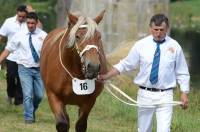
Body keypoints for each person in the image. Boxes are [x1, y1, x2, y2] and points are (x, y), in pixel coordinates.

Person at [98, 14, 190, 132]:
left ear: (167, 29)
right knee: (144, 129)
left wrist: (184, 93)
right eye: (155, 29)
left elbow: (182, 72)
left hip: (165, 96)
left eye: (161, 30)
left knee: (164, 130)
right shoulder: (141, 45)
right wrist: (106, 76)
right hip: (145, 94)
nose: (158, 33)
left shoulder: (175, 46)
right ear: (150, 28)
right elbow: (126, 64)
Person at [0, 12, 47, 124]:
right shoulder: (19, 35)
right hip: (24, 68)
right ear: (26, 22)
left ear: (37, 23)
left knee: (40, 95)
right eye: (28, 23)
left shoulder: (44, 35)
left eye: (33, 23)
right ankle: (28, 118)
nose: (30, 25)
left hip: (39, 69)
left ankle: (31, 110)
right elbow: (8, 49)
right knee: (27, 94)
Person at [0, 4, 28, 105]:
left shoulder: (29, 23)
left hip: (24, 56)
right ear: (17, 13)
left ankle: (19, 100)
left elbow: (39, 29)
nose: (21, 18)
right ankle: (10, 95)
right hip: (11, 55)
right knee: (11, 77)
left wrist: (33, 11)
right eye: (19, 16)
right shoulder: (8, 22)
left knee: (21, 78)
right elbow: (1, 35)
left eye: (23, 17)